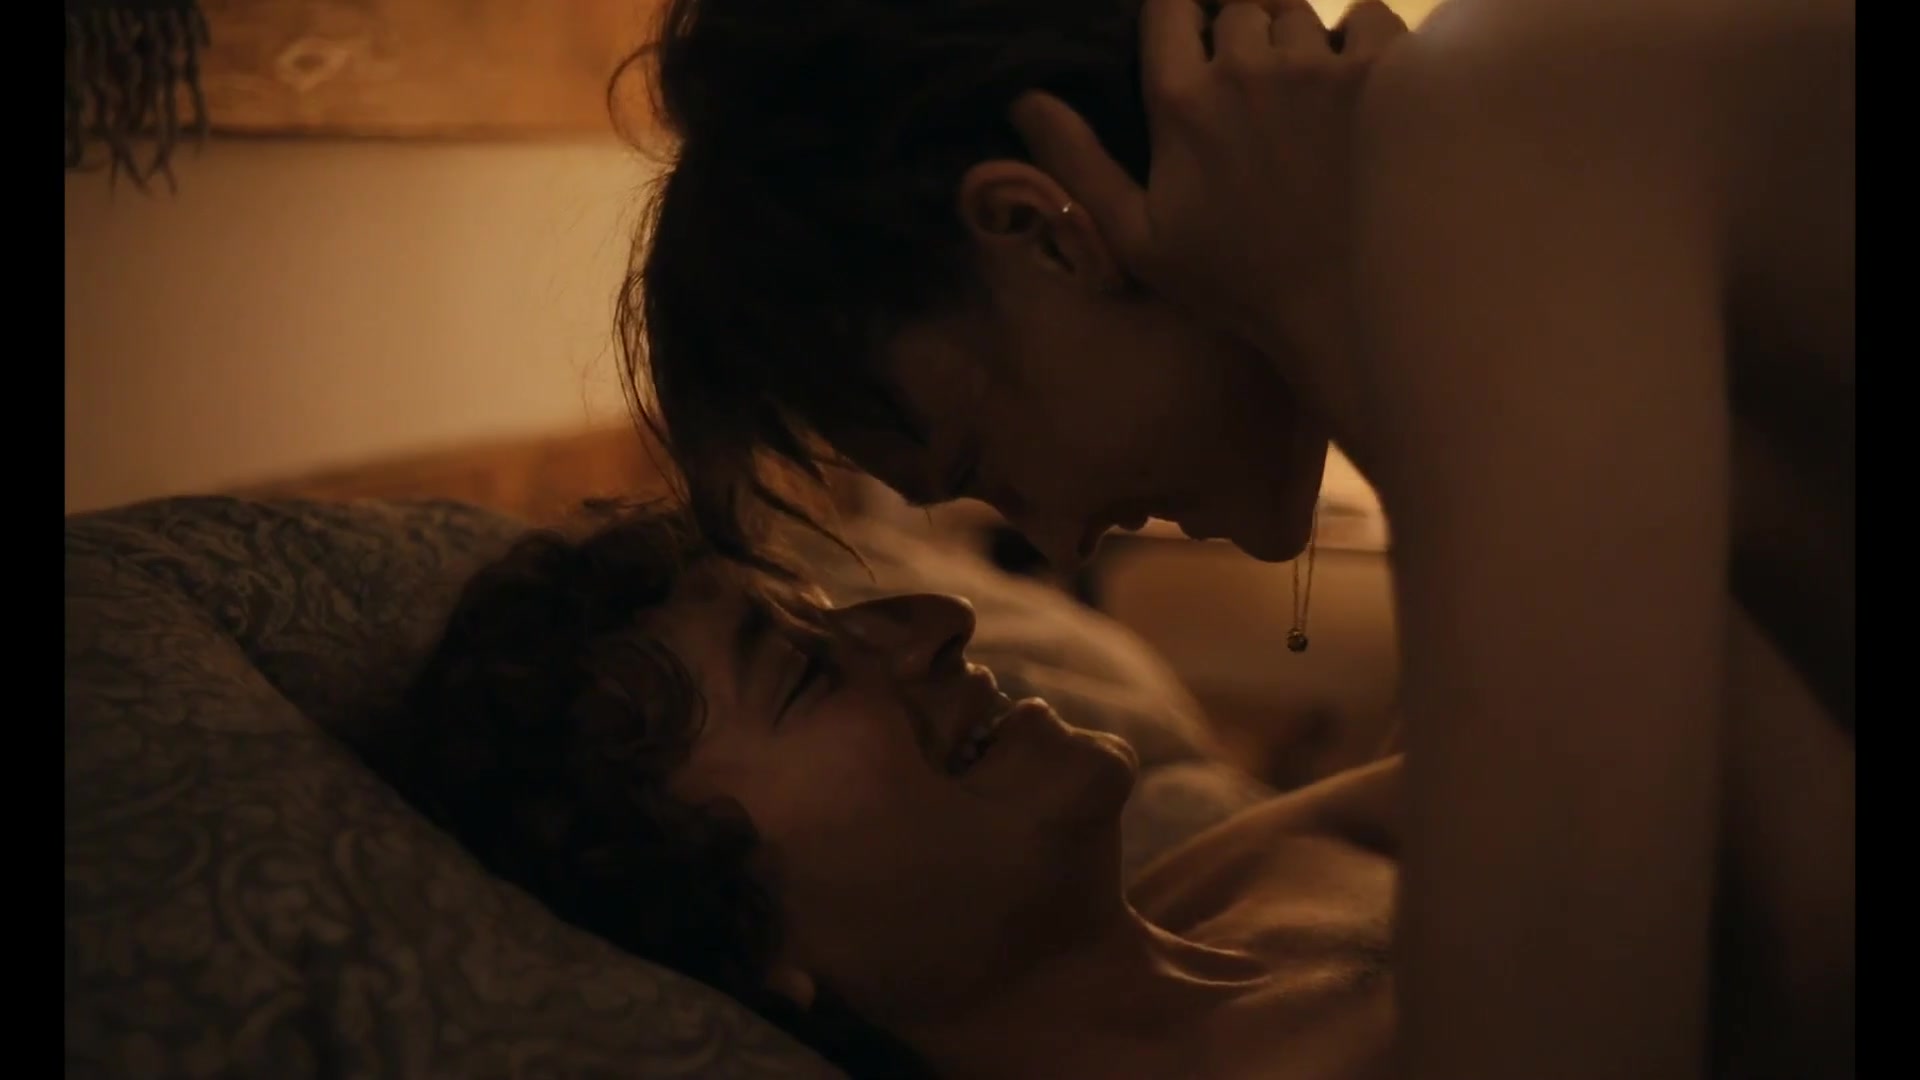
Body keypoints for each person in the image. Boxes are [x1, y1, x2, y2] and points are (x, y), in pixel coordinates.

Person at [621, 1, 1854, 1077]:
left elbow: (1796, 970)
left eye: (978, 466)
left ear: (1045, 234)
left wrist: (1340, 330)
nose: (1056, 537)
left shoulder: (1491, 135)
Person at [393, 506, 1406, 1080]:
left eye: (837, 612)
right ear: (745, 940)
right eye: (807, 672)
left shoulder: (1249, 870)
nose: (938, 619)